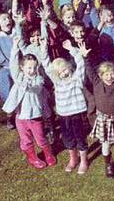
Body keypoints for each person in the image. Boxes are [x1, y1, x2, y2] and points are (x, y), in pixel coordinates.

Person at [3, 37, 56, 169]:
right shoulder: (19, 77)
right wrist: (15, 47)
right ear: (22, 67)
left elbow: (36, 89)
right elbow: (13, 65)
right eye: (28, 67)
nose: (31, 70)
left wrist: (28, 85)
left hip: (35, 117)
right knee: (25, 140)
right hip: (21, 118)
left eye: (33, 67)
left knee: (41, 138)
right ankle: (33, 158)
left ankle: (48, 154)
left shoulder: (39, 79)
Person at [41, 41, 91, 174]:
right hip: (63, 115)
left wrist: (71, 49)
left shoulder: (77, 79)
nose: (63, 73)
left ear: (69, 67)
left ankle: (84, 161)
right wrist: (44, 50)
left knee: (80, 137)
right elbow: (47, 67)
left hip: (77, 114)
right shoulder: (57, 82)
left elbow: (80, 62)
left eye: (65, 69)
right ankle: (73, 159)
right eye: (60, 72)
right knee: (68, 139)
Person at [87, 49, 114, 179]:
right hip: (103, 120)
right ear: (100, 75)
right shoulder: (97, 83)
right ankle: (108, 165)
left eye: (112, 74)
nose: (109, 76)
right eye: (106, 74)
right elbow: (89, 71)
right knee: (105, 144)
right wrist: (85, 58)